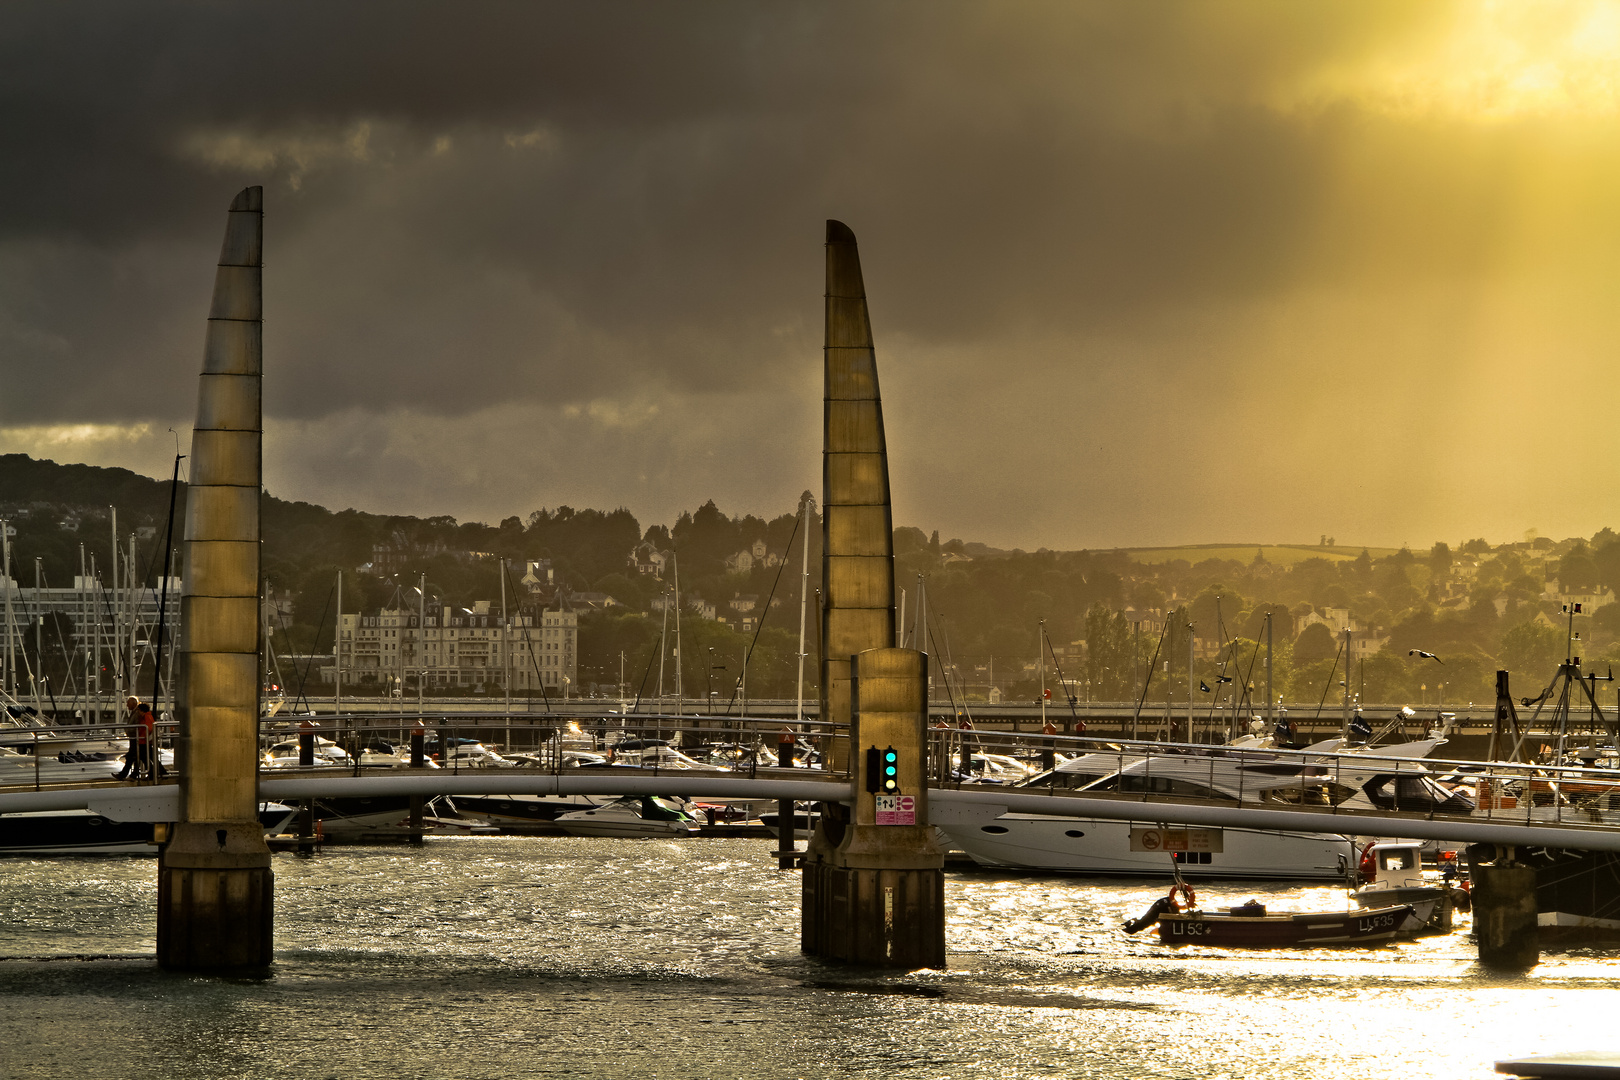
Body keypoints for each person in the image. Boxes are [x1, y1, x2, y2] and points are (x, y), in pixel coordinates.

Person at [113, 696, 141, 780]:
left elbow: (137, 726)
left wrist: (129, 730)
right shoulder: (135, 712)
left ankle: (125, 774)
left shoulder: (136, 713)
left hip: (135, 738)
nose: (127, 705)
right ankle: (132, 774)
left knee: (131, 756)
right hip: (134, 738)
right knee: (134, 756)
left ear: (134, 703)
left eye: (128, 703)